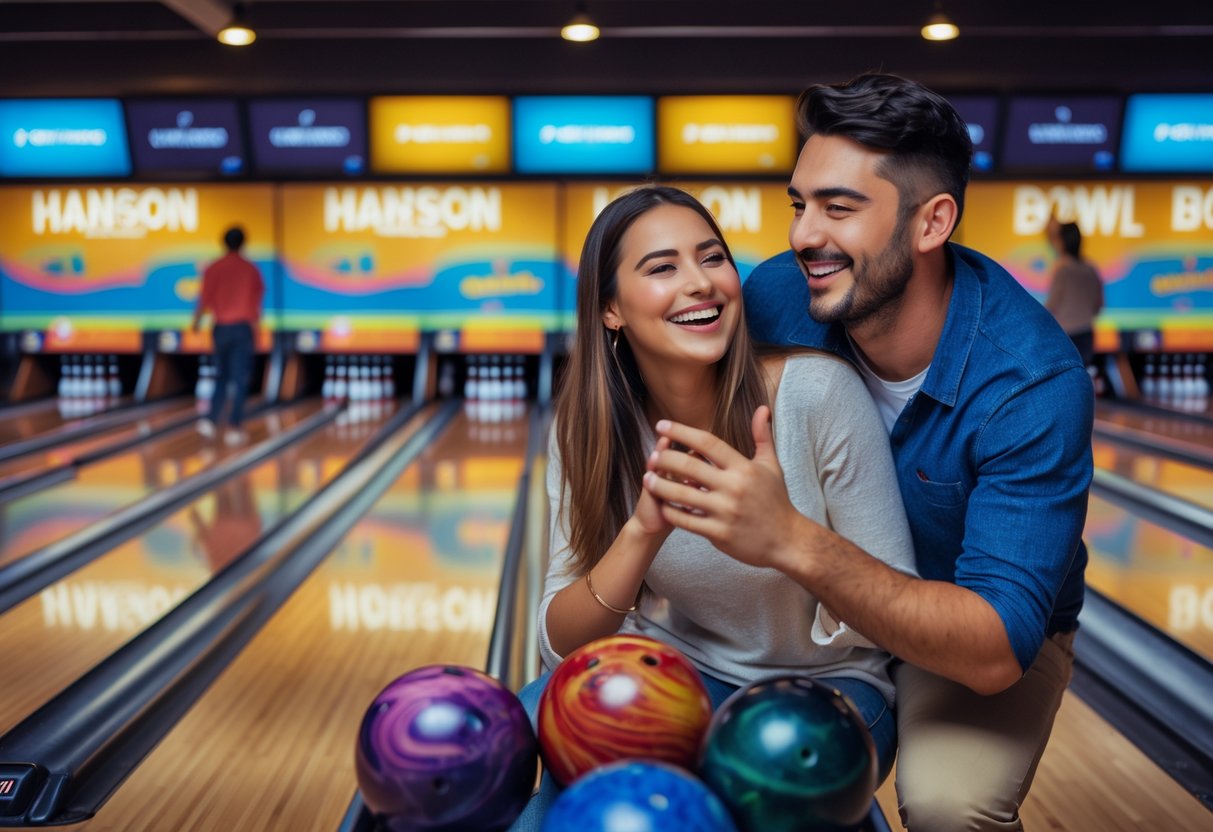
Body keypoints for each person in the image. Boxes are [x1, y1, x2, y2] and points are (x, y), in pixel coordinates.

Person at [643, 74, 1093, 832]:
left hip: (957, 629)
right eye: (799, 203)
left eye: (838, 208)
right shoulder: (778, 297)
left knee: (950, 806)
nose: (802, 235)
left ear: (930, 222)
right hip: (804, 618)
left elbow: (992, 647)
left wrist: (791, 541)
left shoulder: (1030, 384)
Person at [509, 185, 916, 829]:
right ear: (611, 309)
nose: (700, 283)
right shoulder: (586, 429)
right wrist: (643, 529)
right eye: (662, 267)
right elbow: (562, 647)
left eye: (713, 258)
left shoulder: (813, 395)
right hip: (675, 673)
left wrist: (786, 536)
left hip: (824, 693)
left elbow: (897, 614)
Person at [191, 225, 264, 446]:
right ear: (243, 243)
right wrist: (257, 332)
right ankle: (234, 426)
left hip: (220, 327)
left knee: (221, 375)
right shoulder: (251, 269)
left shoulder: (213, 267)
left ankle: (212, 420)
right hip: (243, 328)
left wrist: (195, 322)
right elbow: (256, 302)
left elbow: (204, 299)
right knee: (239, 378)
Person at [1045, 217, 1104, 367]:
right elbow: (1098, 306)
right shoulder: (1091, 268)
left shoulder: (1063, 268)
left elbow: (1052, 305)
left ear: (1063, 241)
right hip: (1087, 335)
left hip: (1066, 336)